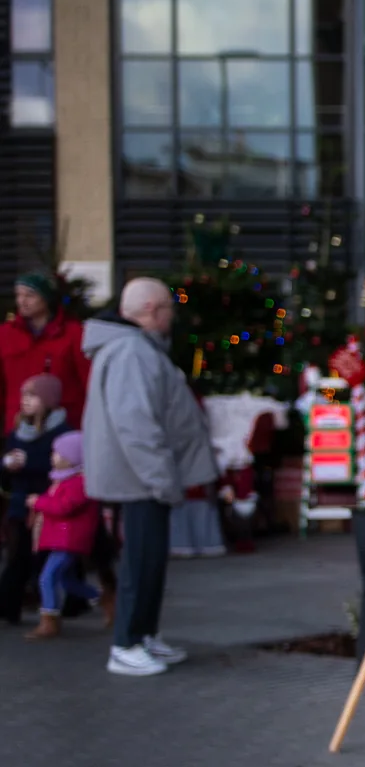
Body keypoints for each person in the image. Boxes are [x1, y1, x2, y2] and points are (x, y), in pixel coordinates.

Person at [81, 278, 216, 677]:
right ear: (153, 310)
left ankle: (143, 635)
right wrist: (161, 479)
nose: (173, 316)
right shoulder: (132, 352)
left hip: (141, 477)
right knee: (142, 561)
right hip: (139, 479)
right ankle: (126, 643)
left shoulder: (134, 349)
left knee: (150, 560)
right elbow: (137, 426)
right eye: (170, 309)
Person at [1, 372, 68, 624]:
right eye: (24, 395)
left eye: (33, 395)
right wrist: (8, 464)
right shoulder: (18, 430)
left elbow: (64, 465)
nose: (25, 400)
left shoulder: (61, 432)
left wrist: (29, 463)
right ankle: (8, 607)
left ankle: (54, 608)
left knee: (45, 558)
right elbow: (7, 467)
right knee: (17, 555)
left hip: (49, 504)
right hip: (21, 503)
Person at [25, 430, 101, 641]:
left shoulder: (78, 482)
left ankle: (49, 619)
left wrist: (38, 502)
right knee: (66, 579)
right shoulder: (64, 480)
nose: (53, 457)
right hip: (62, 538)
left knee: (47, 577)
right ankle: (101, 598)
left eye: (57, 453)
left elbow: (64, 507)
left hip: (69, 539)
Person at [1, 273, 87, 428]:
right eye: (18, 295)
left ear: (47, 299)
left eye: (30, 295)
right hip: (18, 427)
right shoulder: (6, 334)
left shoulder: (73, 334)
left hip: (63, 426)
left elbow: (88, 382)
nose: (22, 301)